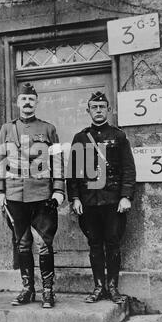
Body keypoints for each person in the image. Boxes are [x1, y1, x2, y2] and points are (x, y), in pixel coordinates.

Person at [0, 83, 65, 308]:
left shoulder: (48, 129)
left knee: (44, 244)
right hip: (15, 195)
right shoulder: (7, 129)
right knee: (22, 244)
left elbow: (57, 162)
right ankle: (27, 289)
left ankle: (47, 291)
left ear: (36, 103)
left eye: (31, 100)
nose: (27, 103)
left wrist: (58, 190)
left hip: (42, 194)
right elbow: (0, 160)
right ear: (18, 103)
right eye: (23, 100)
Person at [67, 91, 136, 304]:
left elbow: (128, 169)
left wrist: (126, 196)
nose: (98, 111)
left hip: (113, 202)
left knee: (113, 244)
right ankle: (98, 287)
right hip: (88, 202)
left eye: (102, 107)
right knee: (95, 244)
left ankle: (113, 288)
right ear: (88, 111)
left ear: (108, 109)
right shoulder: (80, 138)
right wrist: (75, 198)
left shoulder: (119, 136)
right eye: (94, 107)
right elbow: (73, 173)